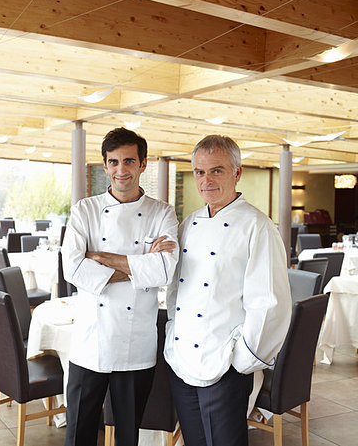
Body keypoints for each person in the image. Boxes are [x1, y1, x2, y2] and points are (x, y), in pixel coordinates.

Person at [162, 134, 292, 446]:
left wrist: (242, 360)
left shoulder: (257, 227)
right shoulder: (188, 224)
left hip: (224, 366)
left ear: (237, 173)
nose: (206, 180)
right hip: (183, 360)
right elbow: (176, 291)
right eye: (199, 171)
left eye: (216, 170)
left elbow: (270, 304)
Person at [61, 127, 179, 446]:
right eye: (113, 162)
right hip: (90, 342)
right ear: (105, 166)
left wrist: (101, 258)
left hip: (134, 344)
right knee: (78, 433)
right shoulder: (84, 210)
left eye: (129, 161)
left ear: (143, 164)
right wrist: (139, 263)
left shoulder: (162, 213)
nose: (121, 170)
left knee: (129, 434)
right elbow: (72, 267)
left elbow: (165, 269)